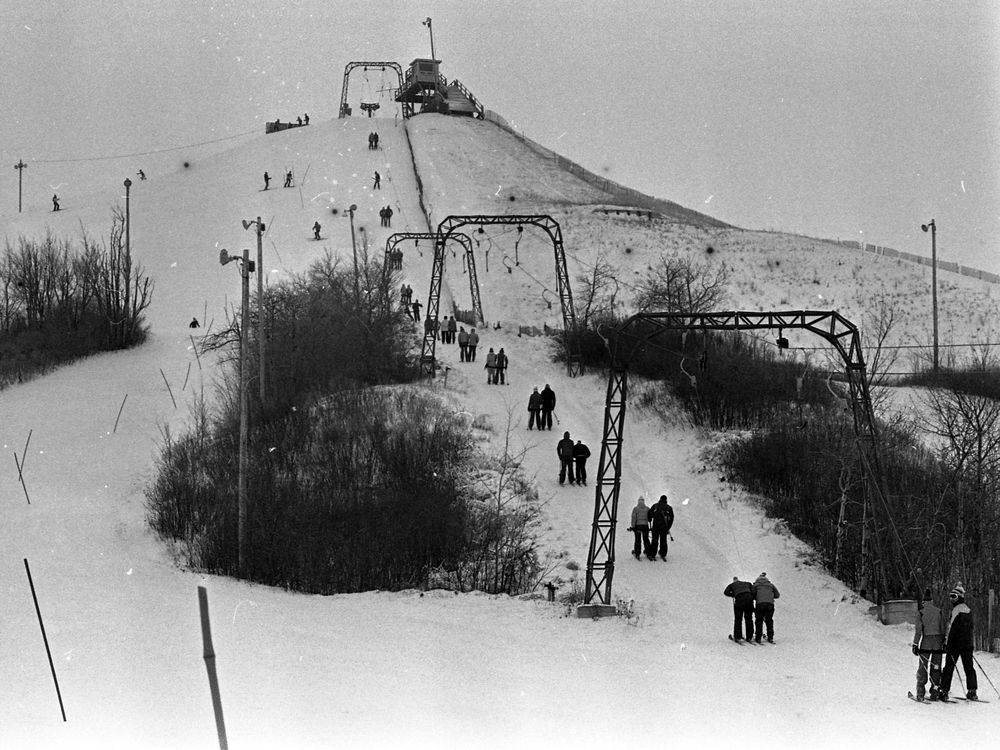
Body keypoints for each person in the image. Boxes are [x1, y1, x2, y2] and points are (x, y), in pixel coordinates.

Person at [939, 583, 978, 701]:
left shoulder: (956, 610)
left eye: (954, 596)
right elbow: (971, 628)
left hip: (954, 645)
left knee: (949, 668)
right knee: (969, 668)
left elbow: (950, 628)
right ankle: (972, 691)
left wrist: (946, 642)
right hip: (967, 644)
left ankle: (944, 691)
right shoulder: (969, 610)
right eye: (950, 596)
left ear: (960, 597)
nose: (951, 599)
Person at [912, 589, 945, 701]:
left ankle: (920, 691)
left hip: (926, 641)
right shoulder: (939, 611)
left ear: (923, 601)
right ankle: (935, 691)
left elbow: (918, 631)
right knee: (936, 666)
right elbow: (943, 628)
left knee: (923, 666)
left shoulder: (921, 612)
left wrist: (915, 644)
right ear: (932, 600)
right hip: (937, 642)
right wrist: (944, 642)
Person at [724, 576, 755, 642]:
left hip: (739, 600)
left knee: (738, 619)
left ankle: (738, 636)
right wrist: (751, 597)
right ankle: (749, 636)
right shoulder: (747, 583)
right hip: (749, 600)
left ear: (734, 581)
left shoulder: (731, 585)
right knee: (749, 618)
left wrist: (733, 594)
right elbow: (754, 591)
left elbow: (726, 592)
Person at [752, 572, 780, 643]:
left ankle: (758, 637)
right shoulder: (771, 585)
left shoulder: (755, 585)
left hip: (760, 604)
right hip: (770, 604)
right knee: (769, 620)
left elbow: (752, 595)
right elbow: (777, 595)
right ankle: (770, 637)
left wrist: (758, 597)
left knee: (759, 620)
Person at [648, 495, 674, 560]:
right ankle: (663, 553)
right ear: (666, 500)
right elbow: (671, 518)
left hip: (656, 526)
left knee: (654, 540)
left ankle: (653, 553)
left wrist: (650, 519)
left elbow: (649, 513)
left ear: (660, 499)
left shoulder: (655, 506)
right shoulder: (669, 508)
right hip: (664, 527)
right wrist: (668, 527)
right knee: (663, 540)